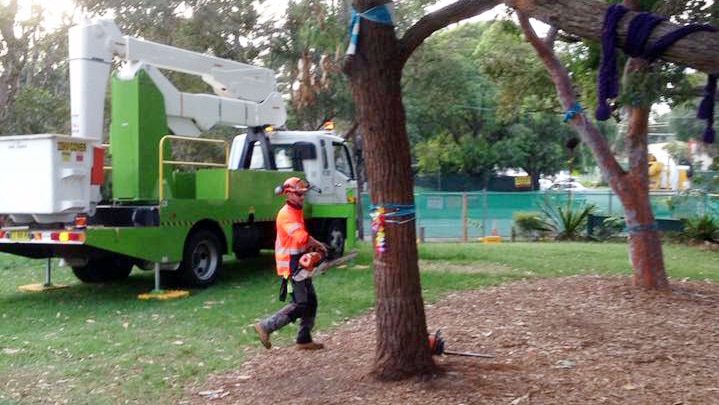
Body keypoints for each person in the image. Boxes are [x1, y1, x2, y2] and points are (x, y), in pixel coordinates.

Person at [255, 177, 328, 350]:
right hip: (290, 266)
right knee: (300, 303)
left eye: (303, 194)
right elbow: (302, 237)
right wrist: (318, 245)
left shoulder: (296, 211)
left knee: (311, 301)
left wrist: (313, 257)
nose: (302, 197)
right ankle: (266, 326)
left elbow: (300, 242)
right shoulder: (286, 215)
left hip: (298, 262)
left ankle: (304, 339)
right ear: (288, 194)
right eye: (298, 194)